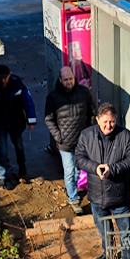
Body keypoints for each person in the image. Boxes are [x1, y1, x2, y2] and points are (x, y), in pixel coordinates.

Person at [75, 103, 130, 259]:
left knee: (125, 232)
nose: (108, 125)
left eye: (112, 121)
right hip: (96, 196)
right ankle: (109, 254)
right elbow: (79, 159)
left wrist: (113, 169)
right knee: (104, 231)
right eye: (105, 122)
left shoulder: (126, 136)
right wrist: (95, 168)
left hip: (119, 196)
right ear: (97, 120)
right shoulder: (86, 135)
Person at [44, 66, 95, 212]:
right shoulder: (53, 97)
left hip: (81, 141)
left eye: (71, 79)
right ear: (60, 79)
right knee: (70, 171)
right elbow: (48, 119)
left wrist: (89, 133)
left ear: (74, 77)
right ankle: (73, 199)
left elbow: (93, 112)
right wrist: (58, 136)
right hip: (65, 144)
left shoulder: (84, 92)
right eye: (65, 79)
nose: (69, 82)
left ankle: (74, 189)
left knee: (79, 169)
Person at [0, 64, 37, 189]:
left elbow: (28, 101)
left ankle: (22, 170)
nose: (3, 80)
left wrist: (31, 120)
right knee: (3, 151)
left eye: (5, 77)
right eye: (0, 78)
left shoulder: (17, 85)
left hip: (15, 123)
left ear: (9, 75)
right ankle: (2, 177)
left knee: (19, 147)